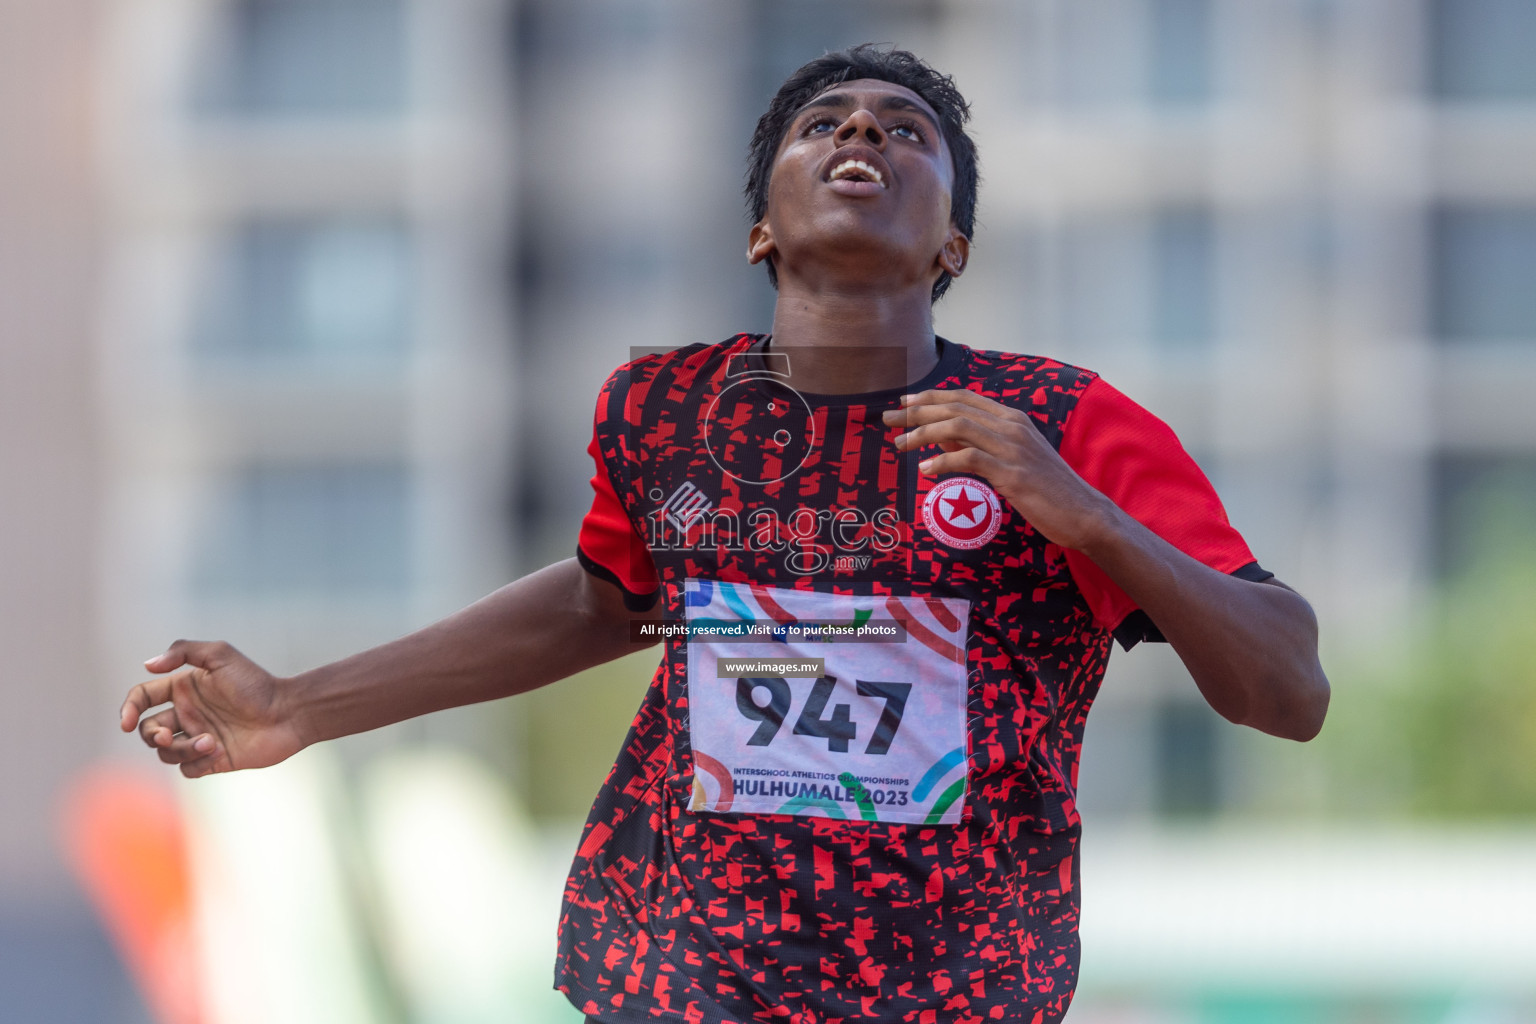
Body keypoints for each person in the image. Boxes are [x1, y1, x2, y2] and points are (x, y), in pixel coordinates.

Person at [121, 44, 1329, 1024]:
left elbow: (1287, 689)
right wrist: (298, 707)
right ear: (762, 229)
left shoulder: (1062, 422)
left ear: (952, 245)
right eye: (826, 125)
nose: (862, 134)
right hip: (678, 964)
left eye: (907, 133)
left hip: (958, 982)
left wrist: (1085, 515)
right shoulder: (665, 409)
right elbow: (608, 600)